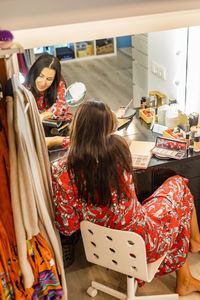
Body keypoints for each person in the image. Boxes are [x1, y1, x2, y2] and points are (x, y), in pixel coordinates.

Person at [52, 99, 200, 296]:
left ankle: (187, 271)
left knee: (166, 200)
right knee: (179, 184)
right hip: (143, 242)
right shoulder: (119, 149)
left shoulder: (60, 170)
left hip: (100, 247)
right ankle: (195, 245)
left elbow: (67, 227)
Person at [26, 53, 72, 122]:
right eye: (41, 76)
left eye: (49, 79)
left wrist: (41, 116)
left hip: (52, 122)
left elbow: (61, 106)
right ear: (35, 73)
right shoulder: (26, 85)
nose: (43, 83)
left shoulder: (59, 83)